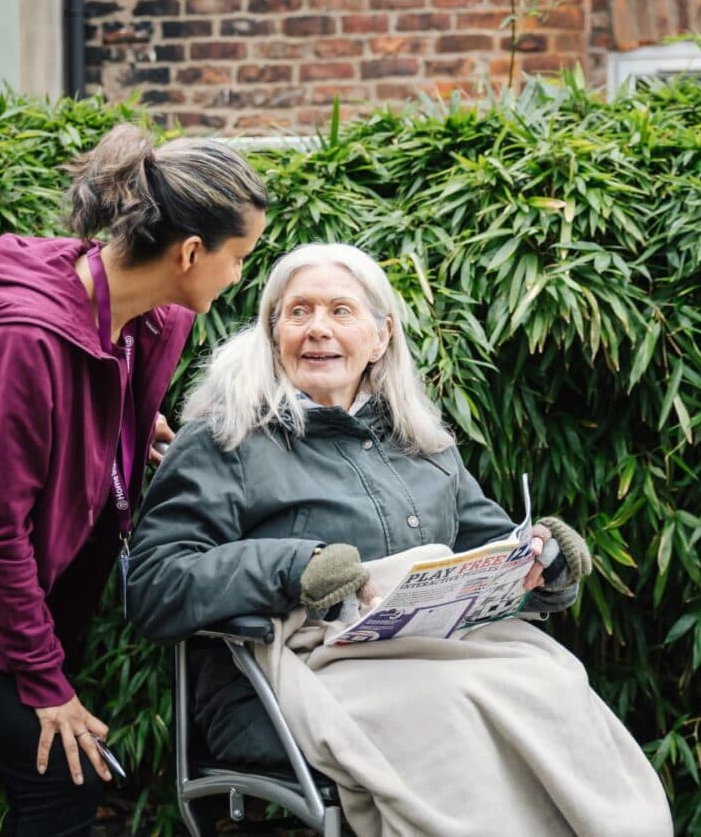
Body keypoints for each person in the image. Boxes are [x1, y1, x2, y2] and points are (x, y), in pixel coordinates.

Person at [126, 243, 672, 835]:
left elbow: (498, 553)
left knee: (554, 682)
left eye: (340, 311)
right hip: (285, 678)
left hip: (440, 656)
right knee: (449, 706)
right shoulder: (224, 440)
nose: (318, 330)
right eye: (298, 312)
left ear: (381, 336)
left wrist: (546, 559)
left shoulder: (422, 445)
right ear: (272, 331)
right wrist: (293, 566)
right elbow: (155, 585)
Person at [0, 123, 268, 837]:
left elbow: (94, 381)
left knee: (55, 782)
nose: (240, 276)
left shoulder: (153, 320)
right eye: (239, 257)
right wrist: (45, 684)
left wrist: (126, 425)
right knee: (61, 784)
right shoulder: (26, 341)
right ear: (191, 252)